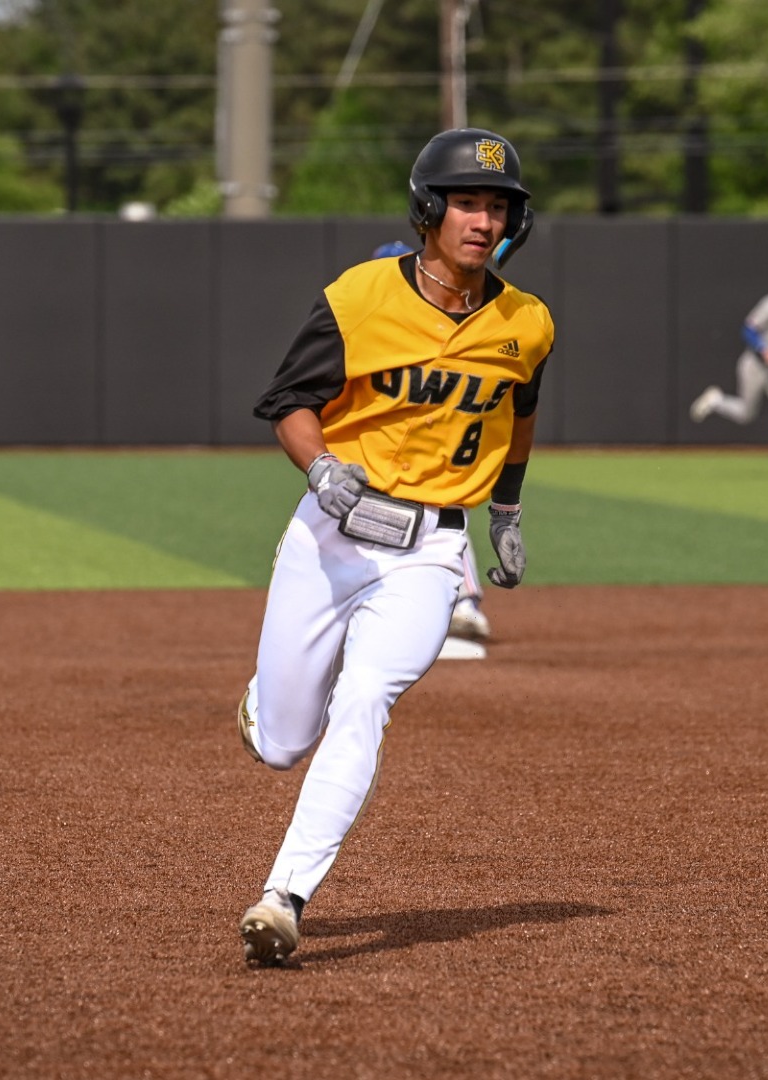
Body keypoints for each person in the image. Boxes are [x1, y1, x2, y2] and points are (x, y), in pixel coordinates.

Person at [235, 129, 553, 965]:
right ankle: (268, 705)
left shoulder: (528, 324)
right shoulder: (360, 296)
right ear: (428, 210)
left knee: (366, 698)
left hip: (429, 551)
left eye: (499, 206)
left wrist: (507, 514)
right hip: (330, 535)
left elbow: (516, 420)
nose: (485, 220)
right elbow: (289, 401)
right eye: (469, 202)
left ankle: (283, 896)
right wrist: (323, 469)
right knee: (281, 744)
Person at [370, 238, 492, 647]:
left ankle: (464, 603)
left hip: (439, 451)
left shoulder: (453, 326)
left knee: (443, 517)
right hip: (384, 455)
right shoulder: (372, 324)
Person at [689, 268, 768, 478]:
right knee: (746, 414)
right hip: (754, 364)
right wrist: (763, 349)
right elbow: (747, 329)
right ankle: (716, 401)